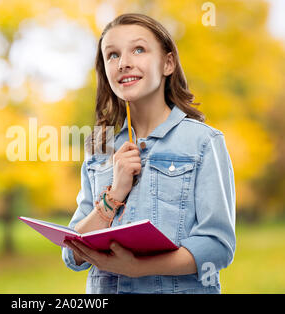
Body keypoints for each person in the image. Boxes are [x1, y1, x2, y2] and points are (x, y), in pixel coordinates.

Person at [62, 13, 236, 294]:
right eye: (112, 55)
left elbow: (217, 246)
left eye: (139, 49)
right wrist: (115, 194)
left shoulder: (203, 142)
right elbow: (73, 254)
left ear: (168, 63)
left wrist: (138, 268)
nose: (124, 62)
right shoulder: (100, 149)